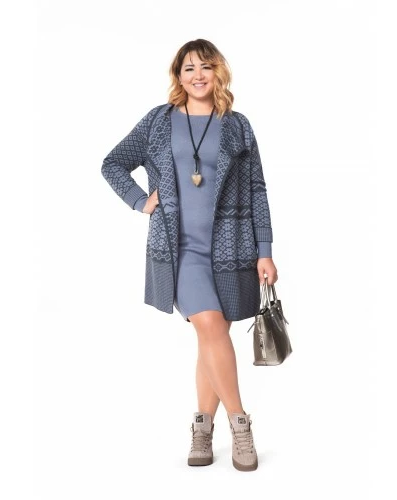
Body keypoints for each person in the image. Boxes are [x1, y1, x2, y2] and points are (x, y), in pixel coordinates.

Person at [101, 39, 278, 472]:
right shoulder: (158, 121)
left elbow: (257, 190)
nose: (198, 75)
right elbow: (113, 163)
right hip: (179, 250)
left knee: (211, 337)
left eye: (205, 67)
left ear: (218, 72)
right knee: (211, 326)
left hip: (232, 249)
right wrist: (140, 200)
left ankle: (202, 428)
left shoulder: (238, 126)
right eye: (189, 68)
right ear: (178, 76)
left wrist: (265, 250)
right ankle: (240, 424)